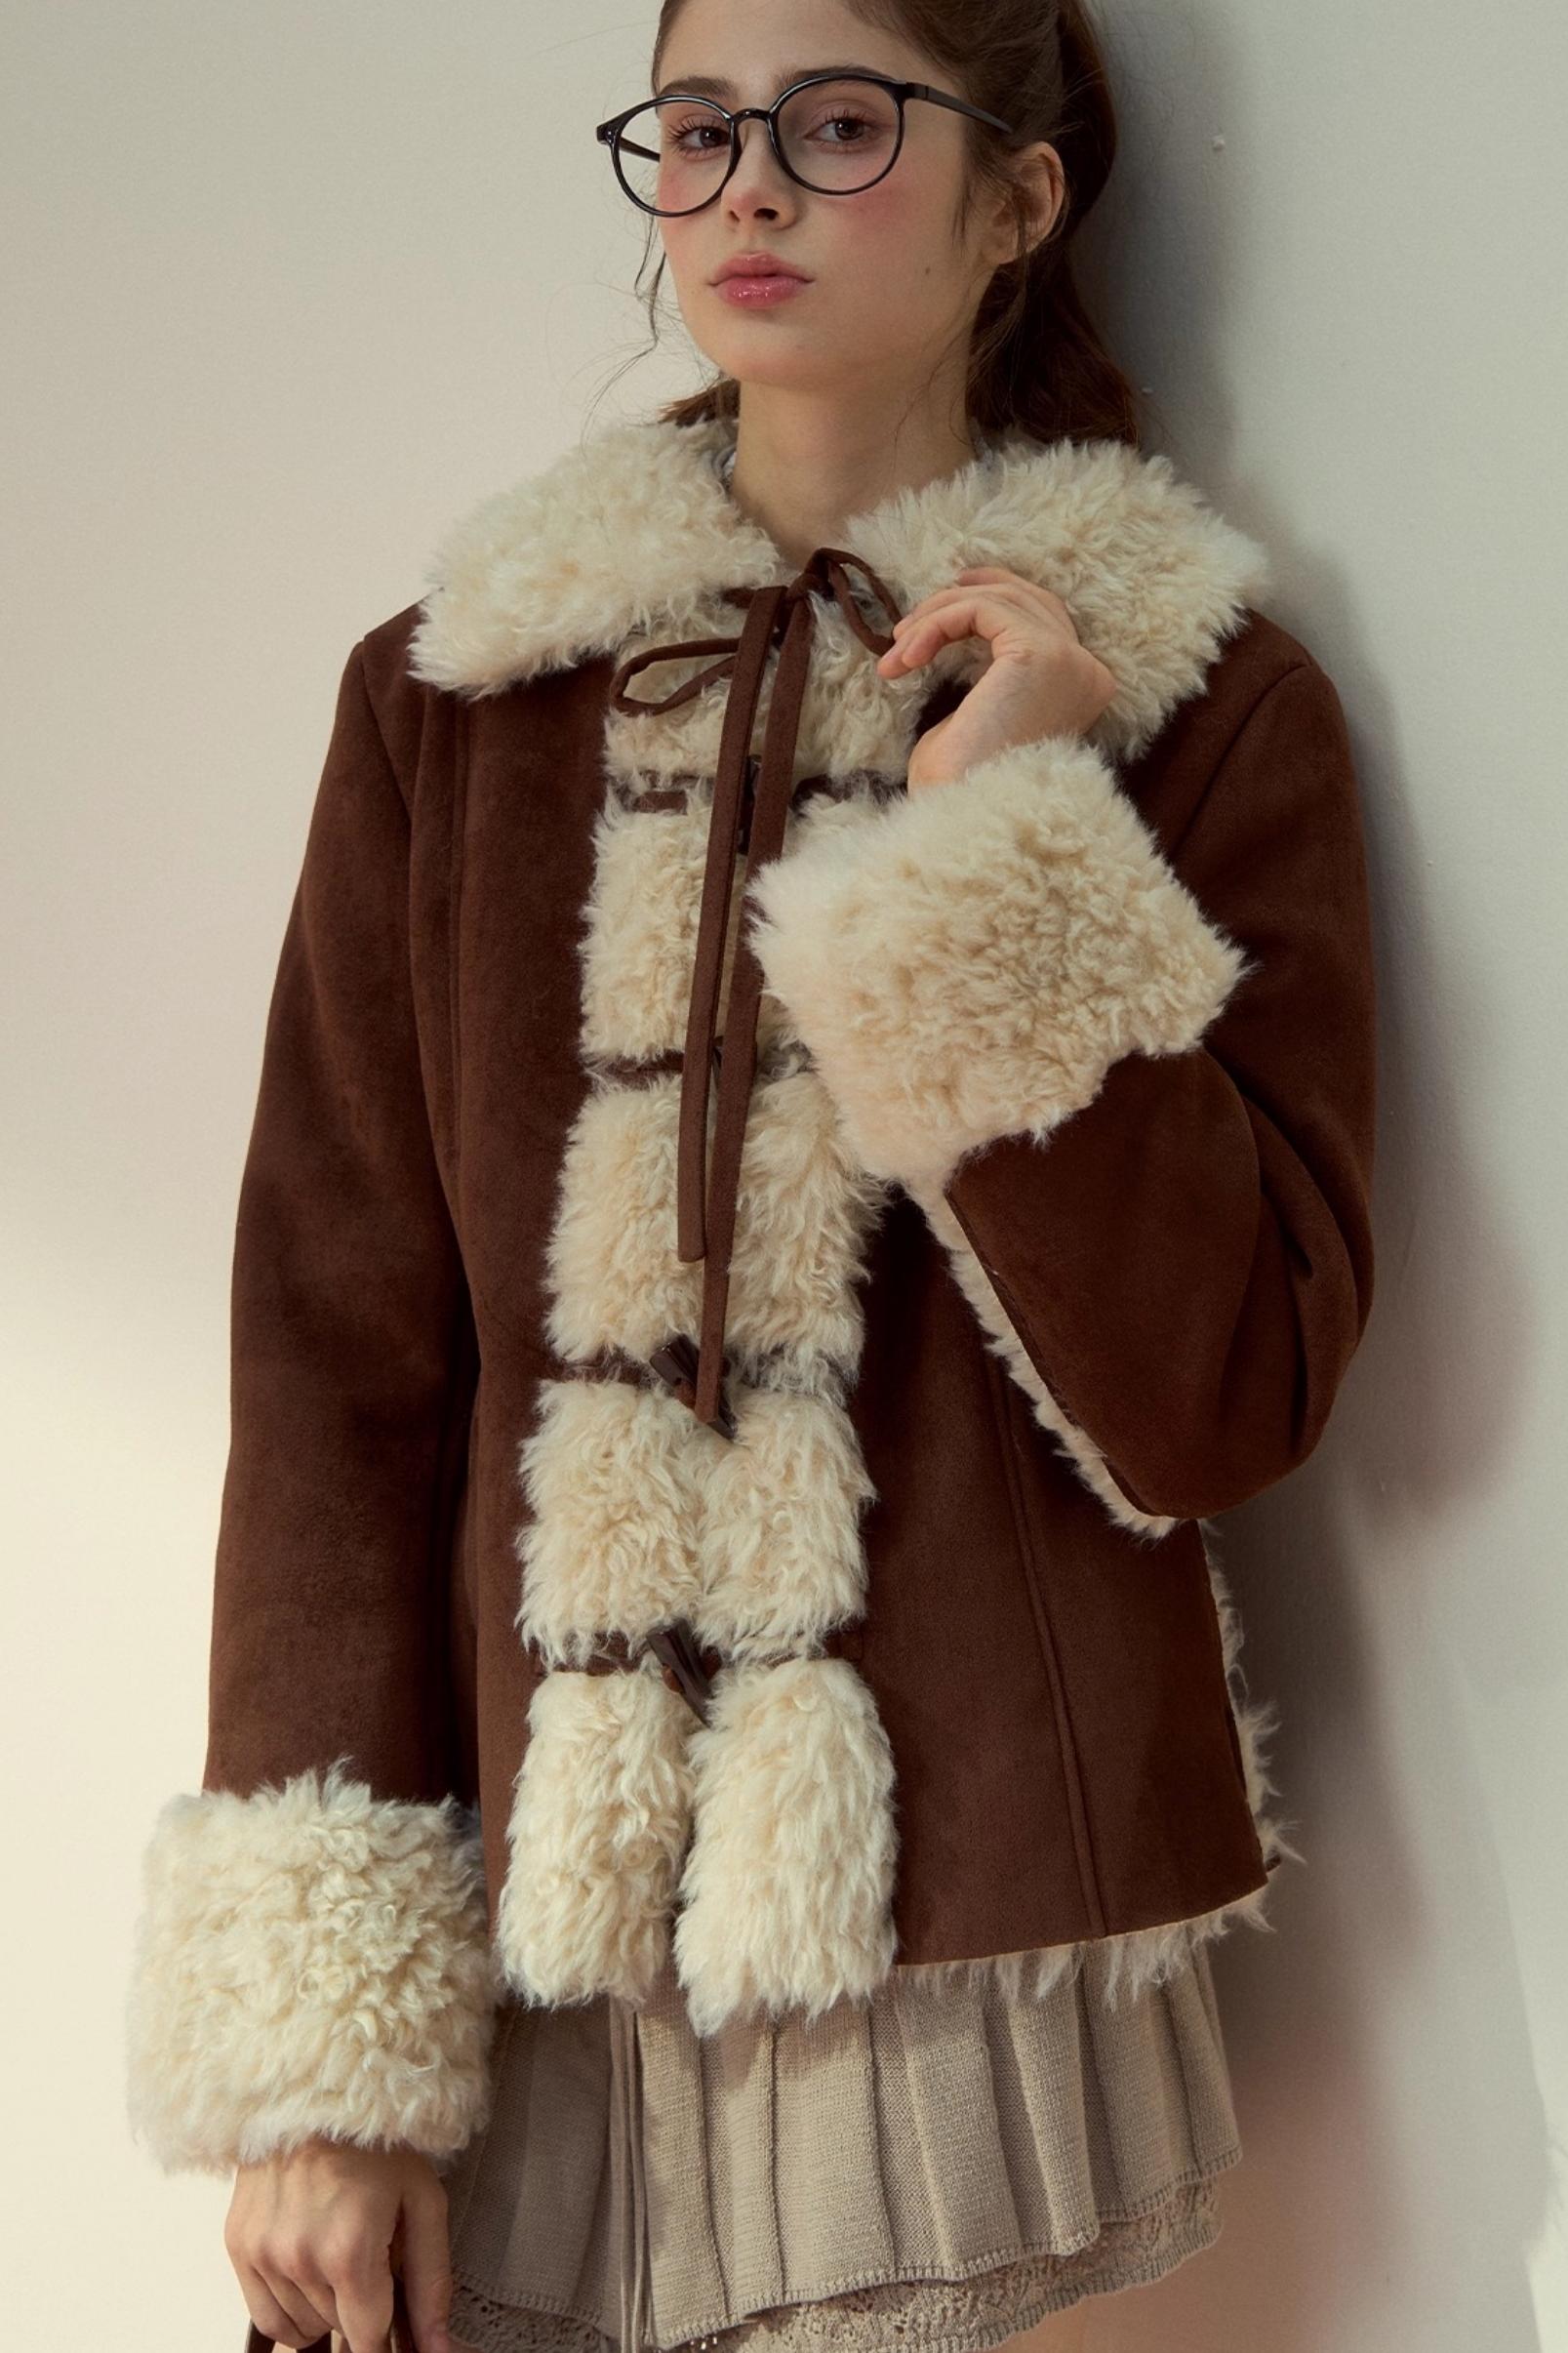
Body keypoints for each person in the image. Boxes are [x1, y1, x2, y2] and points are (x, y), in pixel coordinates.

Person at [121, 1, 1379, 2348]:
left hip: (962, 1959)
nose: (751, 188)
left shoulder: (1203, 708)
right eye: (697, 130)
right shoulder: (453, 704)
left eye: (841, 122)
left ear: (1020, 199)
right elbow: (336, 1379)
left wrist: (997, 843)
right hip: (534, 1939)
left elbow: (1222, 1396)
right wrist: (323, 2059)